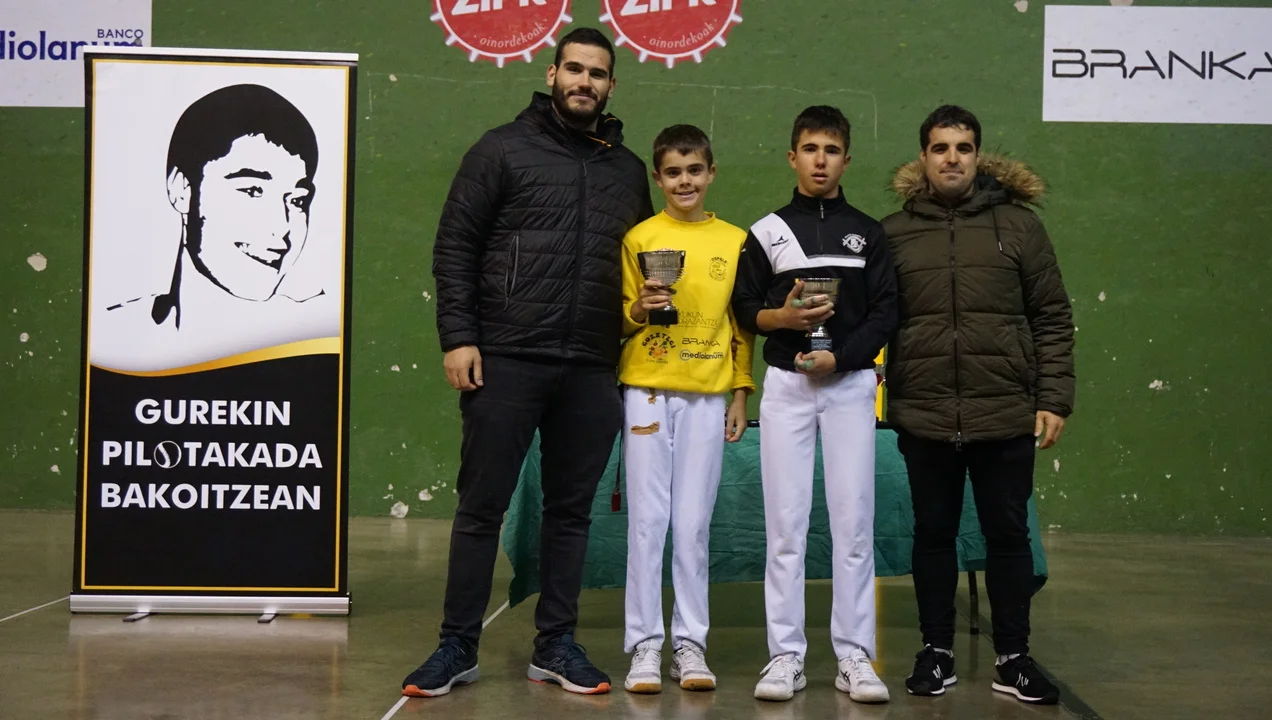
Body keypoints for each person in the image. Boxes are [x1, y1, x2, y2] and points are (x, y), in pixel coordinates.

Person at [402, 27, 654, 699]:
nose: (584, 82)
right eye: (574, 69)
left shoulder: (628, 172)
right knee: (481, 508)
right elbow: (455, 245)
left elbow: (638, 267)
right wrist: (459, 337)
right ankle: (456, 646)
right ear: (551, 74)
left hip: (591, 366)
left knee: (570, 514)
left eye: (597, 73)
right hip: (506, 359)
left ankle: (556, 645)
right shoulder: (501, 150)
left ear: (611, 85)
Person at [880, 104, 1074, 705]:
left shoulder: (1020, 227)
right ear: (923, 157)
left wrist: (1054, 398)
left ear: (977, 156)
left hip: (1005, 411)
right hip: (925, 412)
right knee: (933, 534)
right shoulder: (893, 233)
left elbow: (1051, 316)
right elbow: (877, 321)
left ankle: (1013, 658)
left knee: (1008, 536)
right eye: (940, 148)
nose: (952, 158)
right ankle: (935, 652)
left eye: (963, 147)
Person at [731, 105, 897, 704]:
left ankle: (854, 657)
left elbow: (886, 313)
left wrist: (842, 358)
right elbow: (745, 308)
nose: (819, 161)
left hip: (850, 386)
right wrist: (782, 320)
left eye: (830, 150)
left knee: (853, 524)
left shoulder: (869, 233)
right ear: (792, 157)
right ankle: (786, 656)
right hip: (786, 388)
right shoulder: (767, 232)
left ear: (846, 160)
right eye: (809, 149)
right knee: (786, 527)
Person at [618, 124, 755, 695]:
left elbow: (741, 325)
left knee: (694, 524)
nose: (684, 181)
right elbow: (621, 315)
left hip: (707, 393)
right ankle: (645, 645)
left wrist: (741, 390)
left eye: (694, 170)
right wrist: (642, 309)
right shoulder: (639, 238)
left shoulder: (736, 240)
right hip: (646, 389)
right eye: (673, 172)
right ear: (658, 178)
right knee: (648, 522)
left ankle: (690, 643)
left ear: (711, 173)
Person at [98, 83, 333, 370]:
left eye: (296, 201)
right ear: (182, 190)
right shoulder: (110, 337)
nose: (282, 227)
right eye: (252, 191)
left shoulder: (318, 338)